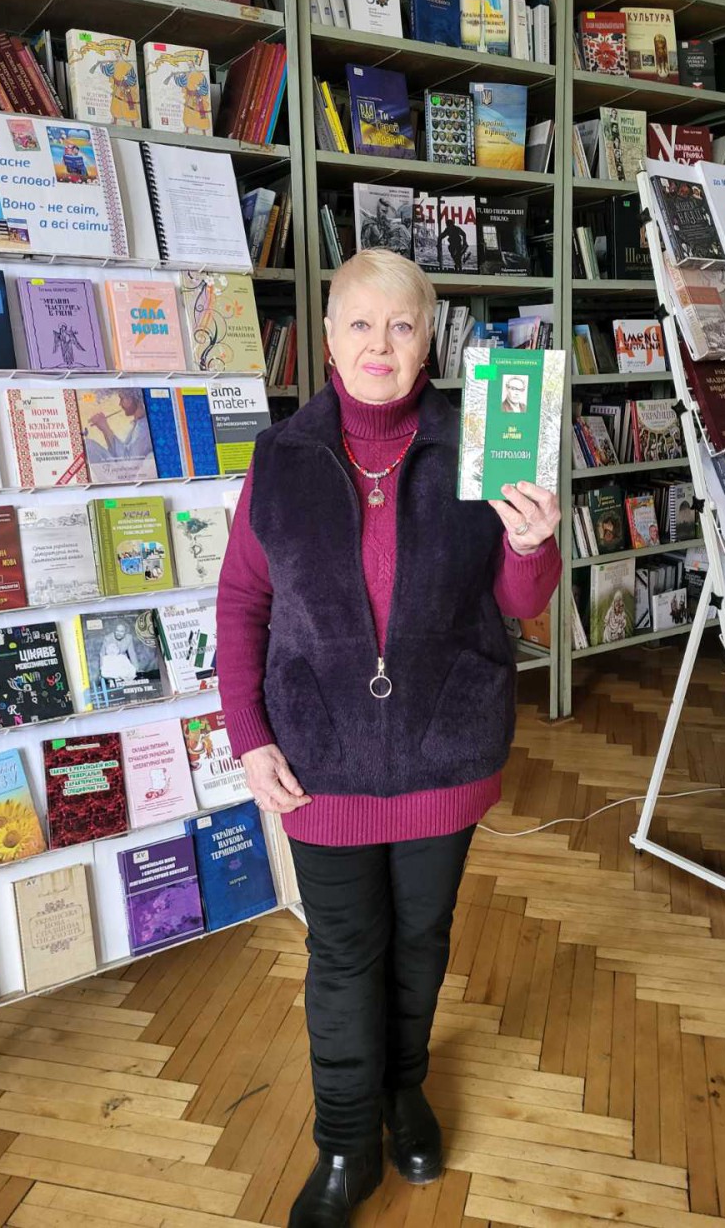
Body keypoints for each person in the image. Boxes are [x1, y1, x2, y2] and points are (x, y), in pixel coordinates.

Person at [217, 249, 560, 1227]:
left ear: (428, 340)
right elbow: (241, 602)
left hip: (443, 748)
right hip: (318, 761)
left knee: (419, 941)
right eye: (360, 324)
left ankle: (404, 1089)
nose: (380, 344)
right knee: (343, 953)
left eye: (401, 325)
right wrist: (248, 734)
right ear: (327, 339)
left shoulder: (484, 443)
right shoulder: (280, 460)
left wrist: (532, 544)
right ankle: (343, 1142)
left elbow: (520, 603)